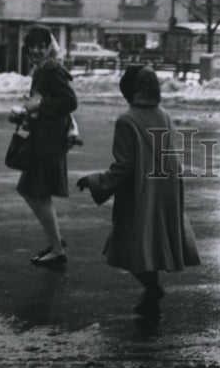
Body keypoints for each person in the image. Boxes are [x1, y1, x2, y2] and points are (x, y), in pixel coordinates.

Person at [76, 66, 201, 319]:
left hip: (140, 192)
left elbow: (124, 167)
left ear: (130, 90)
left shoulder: (126, 120)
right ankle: (151, 295)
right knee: (150, 244)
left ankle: (152, 289)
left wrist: (95, 182)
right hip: (164, 188)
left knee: (131, 245)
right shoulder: (163, 114)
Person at [12, 25, 77, 267]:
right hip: (44, 139)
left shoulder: (51, 69)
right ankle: (56, 240)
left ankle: (58, 250)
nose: (37, 50)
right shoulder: (42, 69)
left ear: (49, 46)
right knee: (29, 190)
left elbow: (70, 101)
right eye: (33, 46)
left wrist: (39, 107)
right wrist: (28, 113)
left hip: (49, 142)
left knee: (36, 192)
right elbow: (46, 102)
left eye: (42, 46)